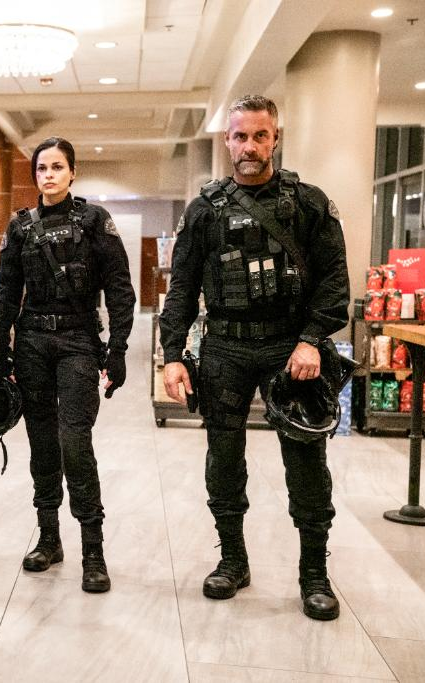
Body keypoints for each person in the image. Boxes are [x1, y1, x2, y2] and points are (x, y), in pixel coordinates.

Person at [159, 95, 349, 621]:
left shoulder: (309, 203)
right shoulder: (204, 210)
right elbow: (182, 288)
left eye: (259, 136)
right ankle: (233, 560)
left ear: (275, 139)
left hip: (291, 348)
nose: (249, 146)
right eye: (240, 136)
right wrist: (173, 354)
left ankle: (314, 573)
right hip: (224, 347)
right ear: (227, 141)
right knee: (223, 459)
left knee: (305, 460)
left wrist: (312, 339)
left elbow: (334, 280)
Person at [0, 137, 135, 593]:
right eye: (41, 168)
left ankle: (93, 550)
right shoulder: (20, 227)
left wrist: (119, 349)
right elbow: (6, 295)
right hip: (32, 342)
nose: (48, 175)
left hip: (77, 341)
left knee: (75, 442)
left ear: (73, 172)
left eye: (57, 167)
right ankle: (49, 539)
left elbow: (120, 287)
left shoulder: (94, 221)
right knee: (42, 444)